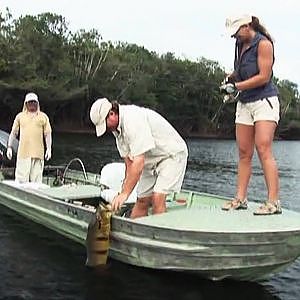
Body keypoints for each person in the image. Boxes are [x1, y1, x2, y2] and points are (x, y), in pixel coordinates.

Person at [220, 14, 281, 215]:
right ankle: (240, 198)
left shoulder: (264, 44)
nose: (234, 36)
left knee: (263, 148)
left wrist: (235, 87)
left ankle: (273, 202)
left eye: (236, 32)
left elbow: (264, 77)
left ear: (247, 26)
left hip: (264, 101)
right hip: (245, 103)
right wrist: (231, 77)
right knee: (244, 152)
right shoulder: (239, 45)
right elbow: (242, 71)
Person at [90, 98, 188, 218]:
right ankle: (132, 230)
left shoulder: (133, 119)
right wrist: (122, 191)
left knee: (157, 197)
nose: (106, 129)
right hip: (150, 160)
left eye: (105, 124)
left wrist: (125, 194)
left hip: (171, 155)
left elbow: (139, 162)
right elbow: (129, 163)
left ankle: (157, 233)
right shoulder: (116, 130)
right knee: (142, 200)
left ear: (112, 113)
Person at [6, 92, 52, 183]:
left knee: (36, 181)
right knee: (21, 180)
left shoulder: (43, 117)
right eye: (30, 102)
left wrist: (49, 149)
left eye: (34, 102)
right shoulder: (20, 116)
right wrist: (9, 147)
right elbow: (14, 133)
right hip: (23, 153)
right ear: (26, 104)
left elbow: (48, 134)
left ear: (37, 103)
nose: (32, 104)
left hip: (38, 154)